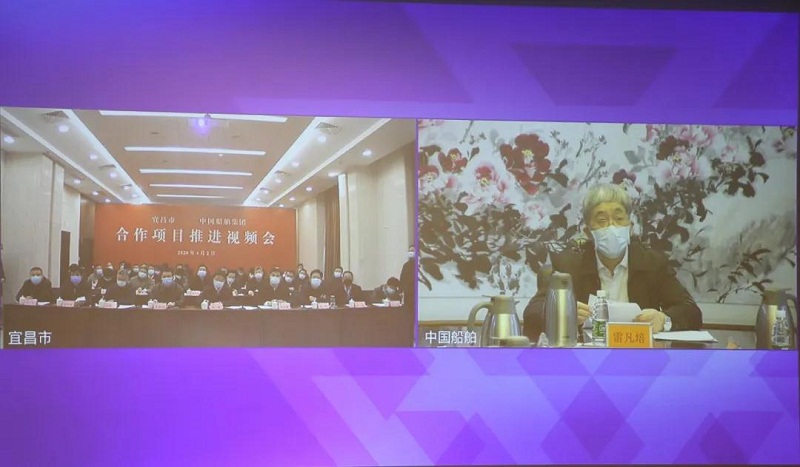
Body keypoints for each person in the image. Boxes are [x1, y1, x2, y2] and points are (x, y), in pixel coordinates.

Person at [522, 183, 703, 341]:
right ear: (588, 232)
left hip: (639, 357)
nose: (612, 226)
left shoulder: (653, 263)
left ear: (630, 228)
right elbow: (532, 314)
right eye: (601, 220)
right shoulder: (568, 265)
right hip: (587, 359)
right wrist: (561, 313)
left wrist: (664, 319)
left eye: (619, 219)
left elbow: (691, 312)